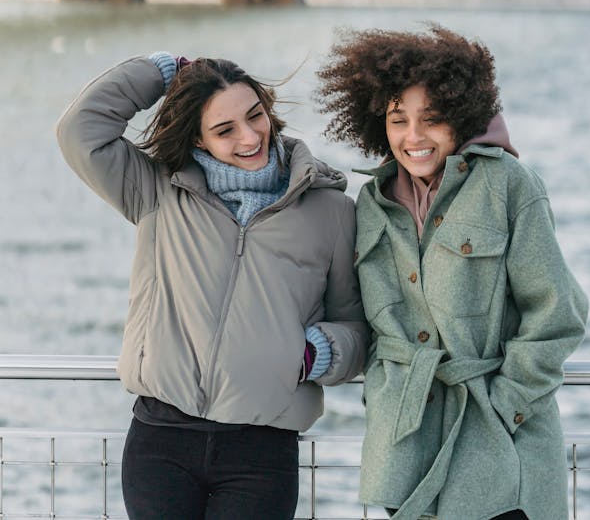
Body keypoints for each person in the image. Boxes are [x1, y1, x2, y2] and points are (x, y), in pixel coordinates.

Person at [57, 53, 368, 520]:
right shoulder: (158, 191)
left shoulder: (331, 211)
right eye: (225, 130)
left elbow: (356, 326)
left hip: (261, 451)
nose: (249, 137)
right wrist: (163, 71)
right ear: (198, 137)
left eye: (255, 116)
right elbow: (80, 130)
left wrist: (315, 353)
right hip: (160, 443)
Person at [315, 25, 588, 520]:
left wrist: (505, 406)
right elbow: (376, 328)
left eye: (432, 120)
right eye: (399, 120)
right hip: (409, 445)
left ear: (460, 119)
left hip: (501, 447)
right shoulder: (371, 203)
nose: (413, 137)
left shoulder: (509, 185)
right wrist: (383, 398)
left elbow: (558, 315)